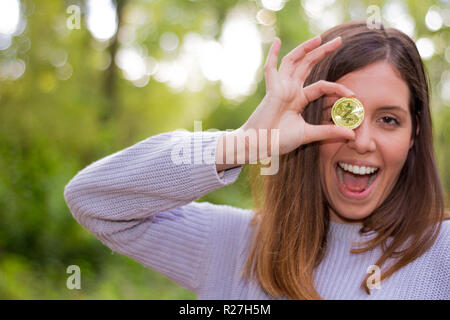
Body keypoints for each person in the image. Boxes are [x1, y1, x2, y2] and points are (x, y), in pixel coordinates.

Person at [64, 21, 450, 300]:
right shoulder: (233, 244)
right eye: (341, 113)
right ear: (306, 121)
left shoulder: (442, 252)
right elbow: (91, 199)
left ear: (414, 134)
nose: (362, 141)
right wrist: (246, 142)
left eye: (388, 120)